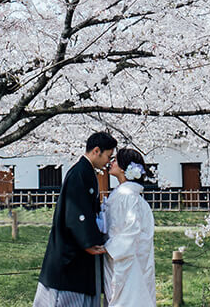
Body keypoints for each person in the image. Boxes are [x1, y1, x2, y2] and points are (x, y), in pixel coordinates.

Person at [34, 131, 117, 307]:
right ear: (96, 151)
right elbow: (76, 212)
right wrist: (88, 242)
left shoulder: (85, 172)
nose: (108, 162)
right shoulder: (80, 173)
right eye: (108, 156)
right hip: (70, 249)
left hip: (76, 246)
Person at [103, 148, 156, 307]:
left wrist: (108, 247)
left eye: (116, 160)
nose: (111, 163)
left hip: (125, 257)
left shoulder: (127, 196)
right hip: (121, 254)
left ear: (125, 168)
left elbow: (131, 230)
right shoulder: (128, 195)